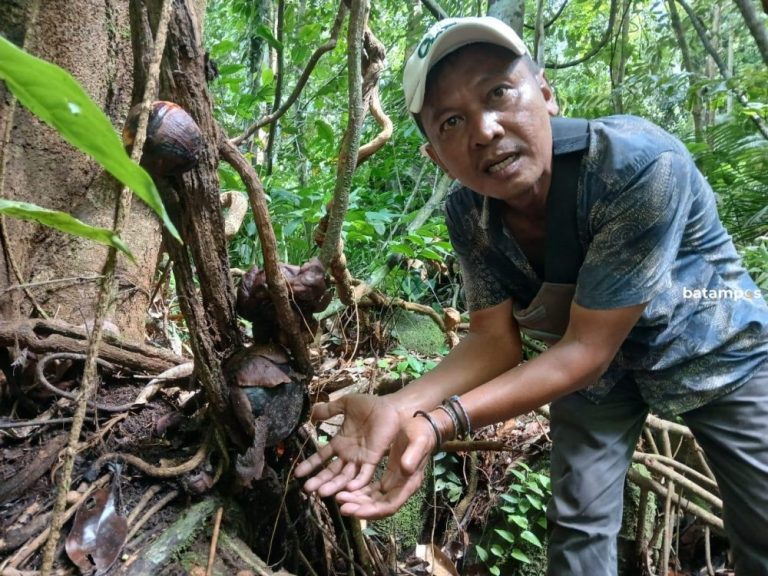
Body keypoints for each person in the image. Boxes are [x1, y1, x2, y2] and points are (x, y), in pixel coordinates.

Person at [295, 16, 768, 575]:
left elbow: (587, 348)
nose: (484, 130)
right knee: (578, 525)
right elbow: (493, 340)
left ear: (546, 93)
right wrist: (396, 409)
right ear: (436, 156)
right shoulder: (468, 213)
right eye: (451, 121)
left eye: (499, 92)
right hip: (593, 373)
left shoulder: (637, 165)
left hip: (715, 346)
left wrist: (439, 422)